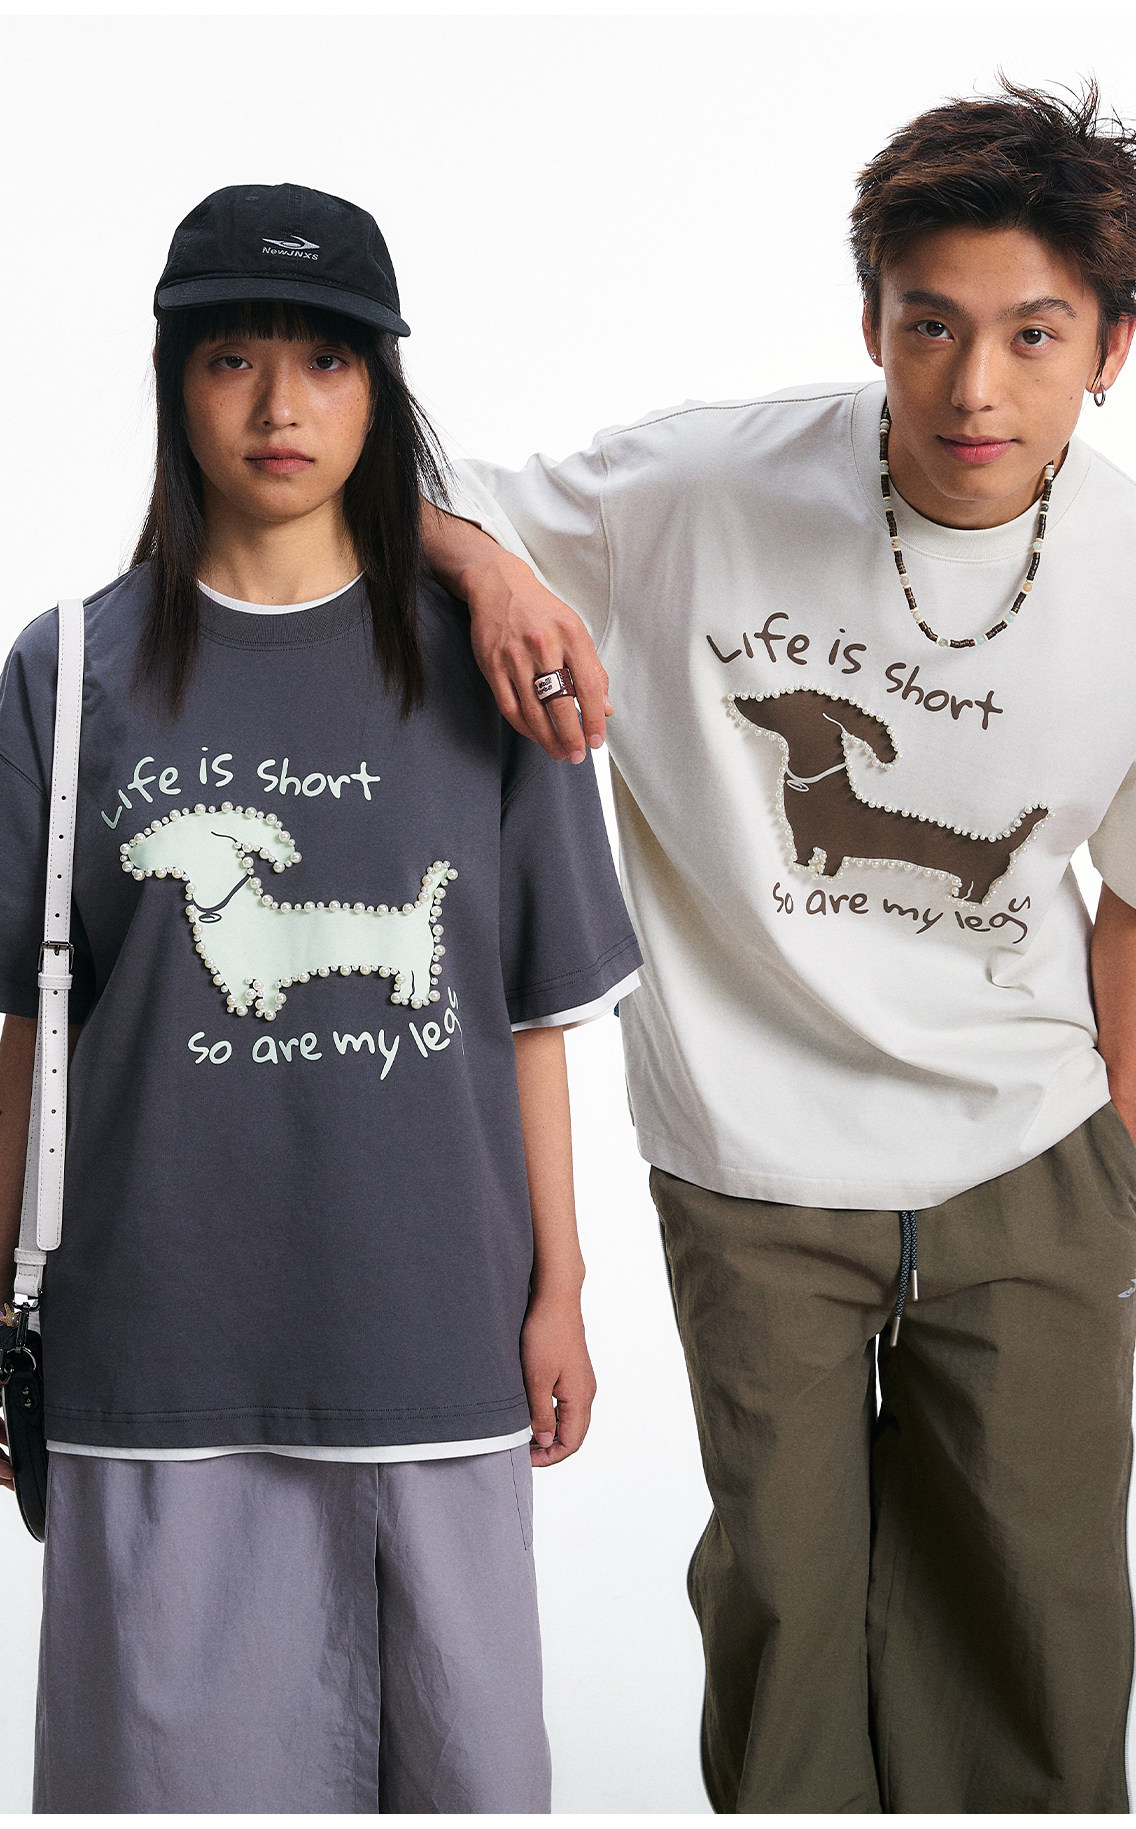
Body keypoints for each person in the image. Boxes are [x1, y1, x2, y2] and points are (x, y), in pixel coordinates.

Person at [422, 81, 1136, 1812]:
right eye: (930, 324)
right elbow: (401, 468)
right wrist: (497, 570)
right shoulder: (702, 487)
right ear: (873, 322)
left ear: (1111, 351)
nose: (973, 386)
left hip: (1028, 1165)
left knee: (1042, 1634)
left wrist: (1113, 1158)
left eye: (1032, 333)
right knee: (785, 1623)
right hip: (754, 1172)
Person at [0, 181, 641, 1814]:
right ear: (173, 381)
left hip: (430, 1339)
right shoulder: (67, 671)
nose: (280, 407)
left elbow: (528, 1019)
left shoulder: (494, 667)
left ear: (381, 389)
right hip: (154, 1353)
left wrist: (561, 1286)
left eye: (327, 362)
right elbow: (30, 1032)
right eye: (233, 359)